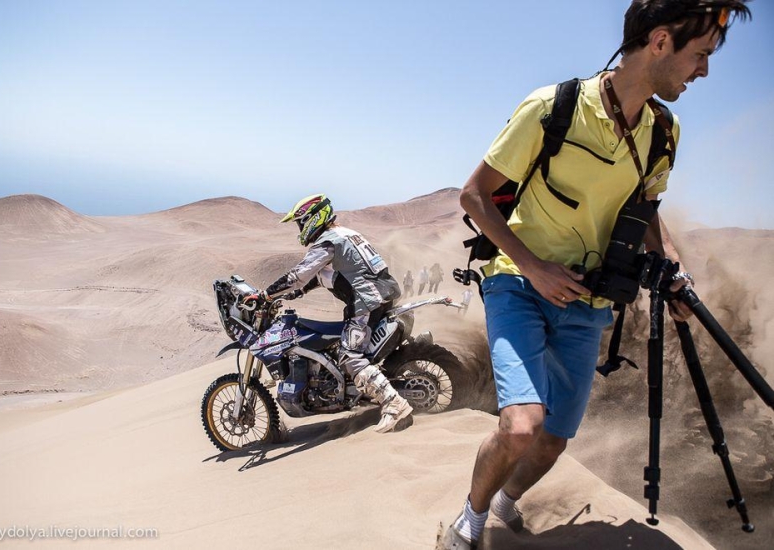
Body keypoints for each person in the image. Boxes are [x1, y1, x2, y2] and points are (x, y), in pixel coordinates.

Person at [439, 1, 751, 548]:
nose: (704, 70)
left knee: (554, 440)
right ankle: (471, 518)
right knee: (521, 426)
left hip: (590, 300)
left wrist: (674, 269)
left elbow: (648, 209)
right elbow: (475, 195)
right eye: (700, 55)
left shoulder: (663, 132)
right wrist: (533, 268)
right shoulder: (552, 108)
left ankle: (508, 501)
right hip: (517, 279)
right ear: (660, 43)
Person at [253, 194, 413, 434]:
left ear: (314, 218)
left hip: (367, 300)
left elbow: (298, 276)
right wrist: (292, 294)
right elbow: (324, 275)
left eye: (301, 222)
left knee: (349, 356)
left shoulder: (327, 242)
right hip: (381, 293)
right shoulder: (346, 234)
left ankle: (394, 403)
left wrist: (266, 295)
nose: (300, 228)